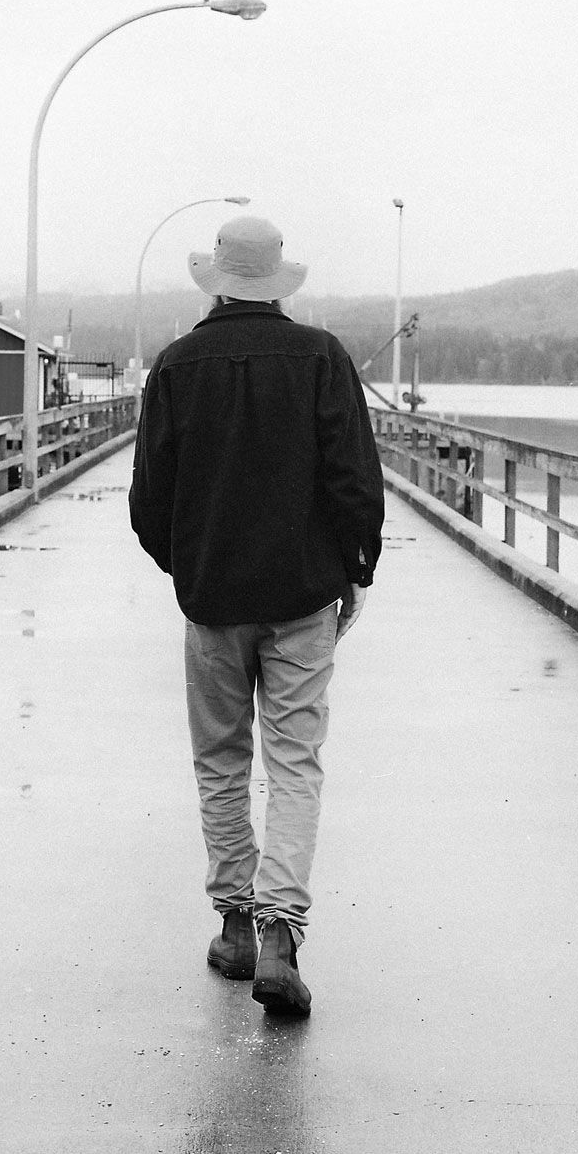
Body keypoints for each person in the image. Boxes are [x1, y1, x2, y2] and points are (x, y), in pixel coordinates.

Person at [129, 214, 385, 1017]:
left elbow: (148, 501)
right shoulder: (322, 357)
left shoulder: (176, 366)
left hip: (213, 601)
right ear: (277, 283)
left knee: (221, 761)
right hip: (302, 598)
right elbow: (355, 479)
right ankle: (281, 937)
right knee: (295, 763)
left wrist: (189, 566)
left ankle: (235, 926)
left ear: (216, 281)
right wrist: (356, 569)